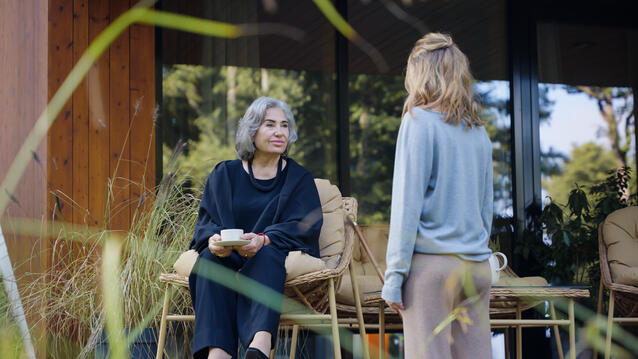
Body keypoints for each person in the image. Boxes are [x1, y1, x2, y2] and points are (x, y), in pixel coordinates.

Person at [381, 33, 494, 358]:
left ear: (420, 73)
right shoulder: (479, 132)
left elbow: (406, 207)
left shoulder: (418, 123)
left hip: (433, 271)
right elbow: (485, 208)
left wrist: (394, 277)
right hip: (476, 268)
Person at [188, 97, 323, 359]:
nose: (279, 132)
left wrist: (264, 239)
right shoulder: (224, 174)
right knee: (207, 259)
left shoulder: (299, 178)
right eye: (270, 124)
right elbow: (205, 223)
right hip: (228, 256)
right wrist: (214, 242)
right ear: (252, 131)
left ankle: (258, 347)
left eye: (284, 126)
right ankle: (219, 353)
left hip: (267, 254)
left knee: (268, 255)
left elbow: (305, 225)